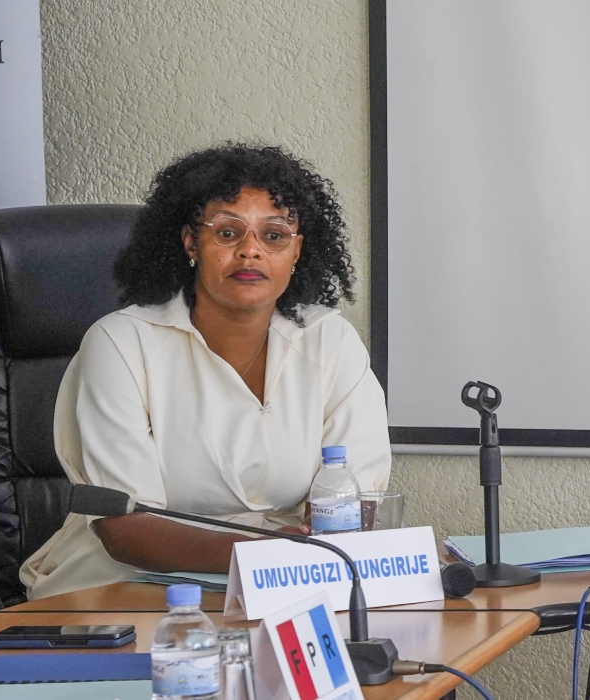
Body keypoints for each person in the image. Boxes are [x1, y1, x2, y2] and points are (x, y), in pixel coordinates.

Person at [21, 144, 391, 598]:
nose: (251, 252)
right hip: (129, 583)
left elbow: (358, 499)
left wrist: (312, 547)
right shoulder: (121, 343)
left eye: (274, 236)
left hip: (285, 579)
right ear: (191, 243)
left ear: (297, 251)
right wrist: (267, 551)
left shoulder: (329, 342)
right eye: (228, 233)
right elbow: (125, 529)